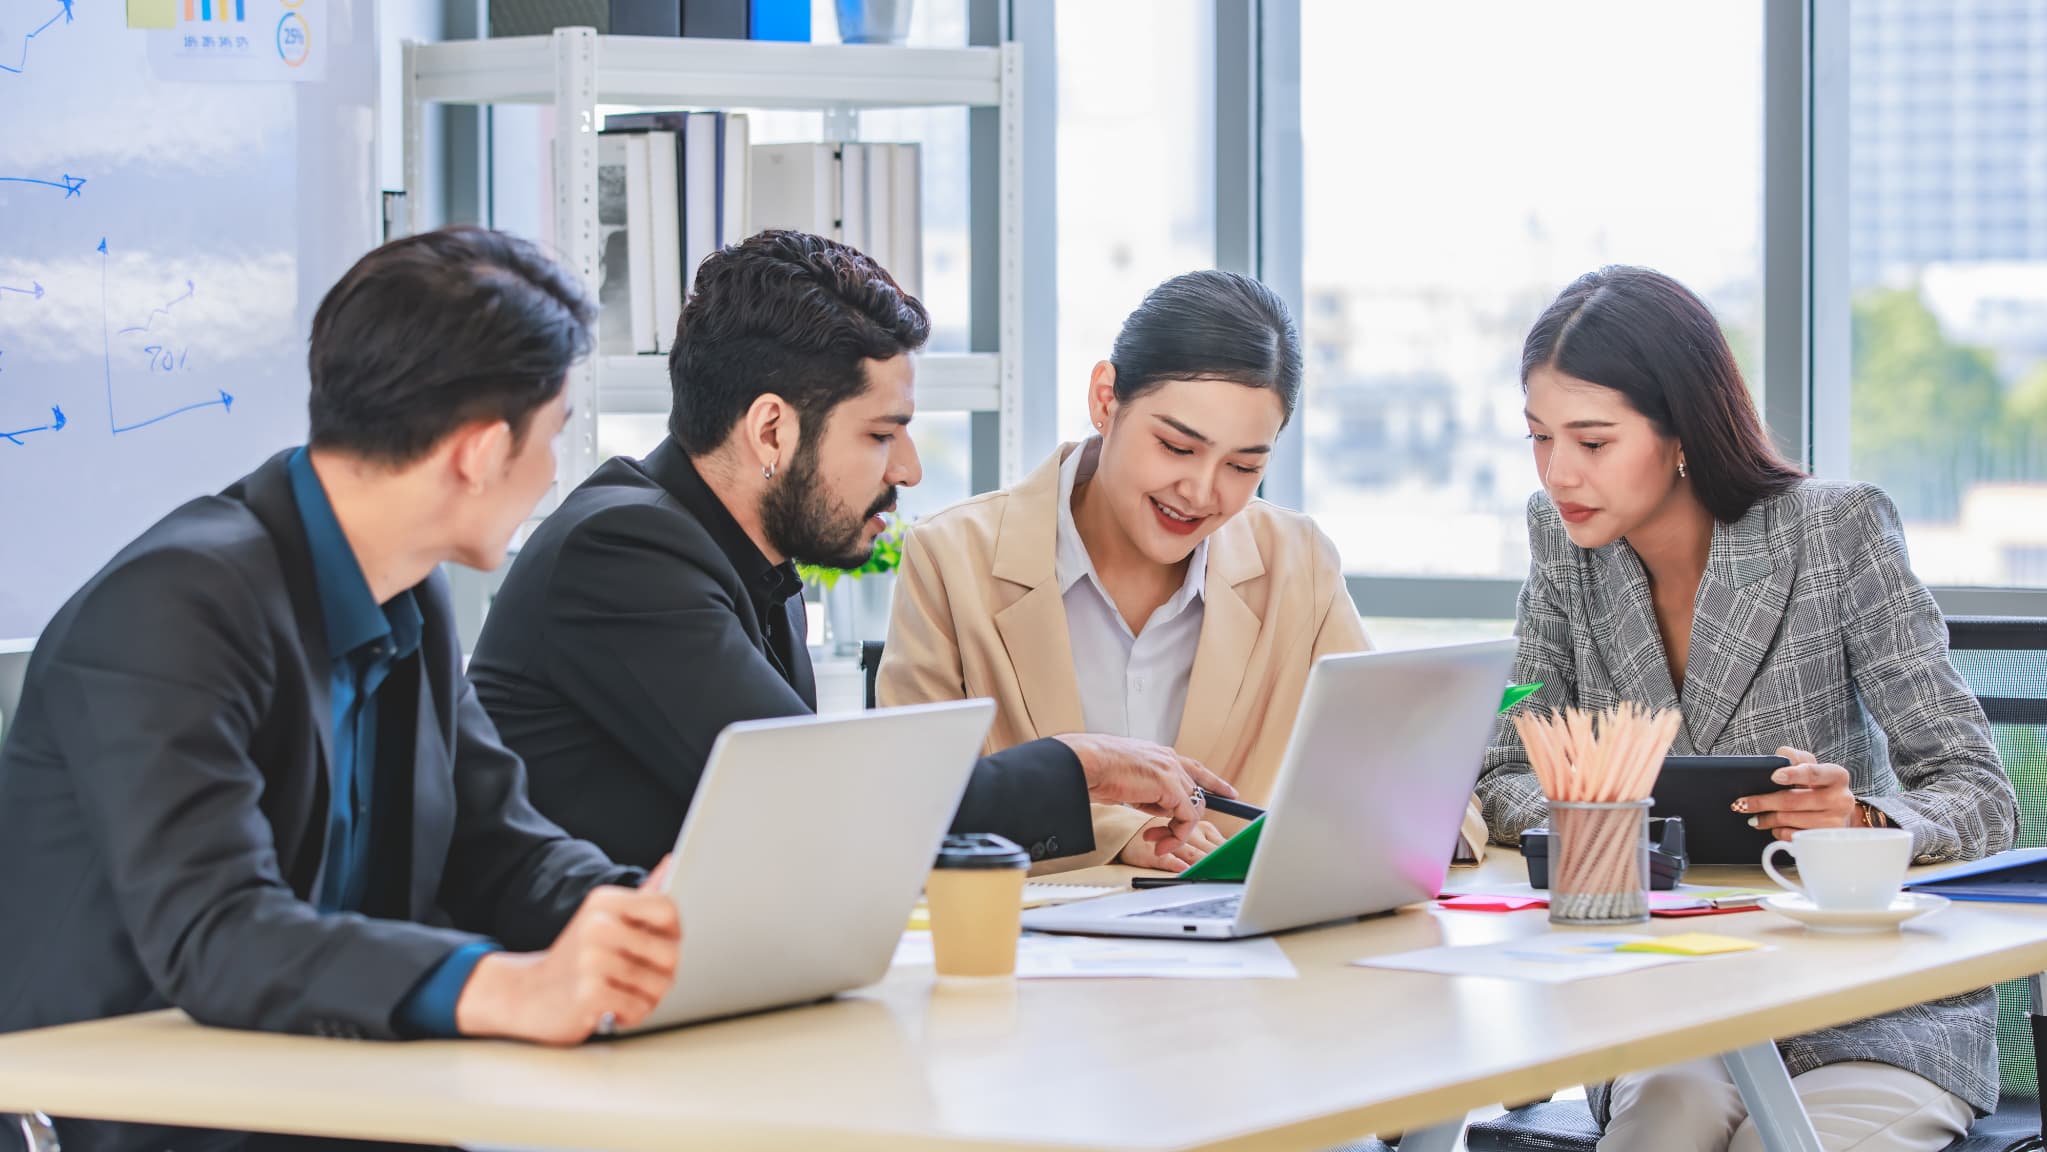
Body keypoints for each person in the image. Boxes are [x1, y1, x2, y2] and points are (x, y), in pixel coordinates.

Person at [0, 228, 683, 1152]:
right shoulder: (173, 604)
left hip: (332, 1088)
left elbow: (497, 848)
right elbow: (219, 932)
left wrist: (635, 912)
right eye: (553, 433)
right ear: (481, 453)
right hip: (158, 1115)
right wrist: (505, 986)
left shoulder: (407, 589)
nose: (554, 471)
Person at [468, 230, 1232, 873]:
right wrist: (1084, 764)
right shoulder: (622, 553)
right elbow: (832, 797)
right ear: (771, 431)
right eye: (879, 434)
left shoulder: (748, 564)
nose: (908, 470)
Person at [1477, 265, 2016, 1152]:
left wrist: (1858, 818)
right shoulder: (1563, 549)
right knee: (1660, 1127)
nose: (1558, 473)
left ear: (1681, 431)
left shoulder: (1834, 532)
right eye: (1538, 437)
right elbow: (1504, 766)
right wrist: (1602, 823)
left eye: (1592, 440)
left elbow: (1979, 793)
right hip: (1668, 991)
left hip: (1863, 1003)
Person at [877, 270, 1491, 872]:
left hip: (1248, 961)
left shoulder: (1295, 563)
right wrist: (1115, 831)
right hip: (1024, 959)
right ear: (1104, 399)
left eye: (1244, 466)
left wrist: (1413, 819)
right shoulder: (952, 558)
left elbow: (1430, 791)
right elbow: (905, 806)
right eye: (1177, 447)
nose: (1201, 492)